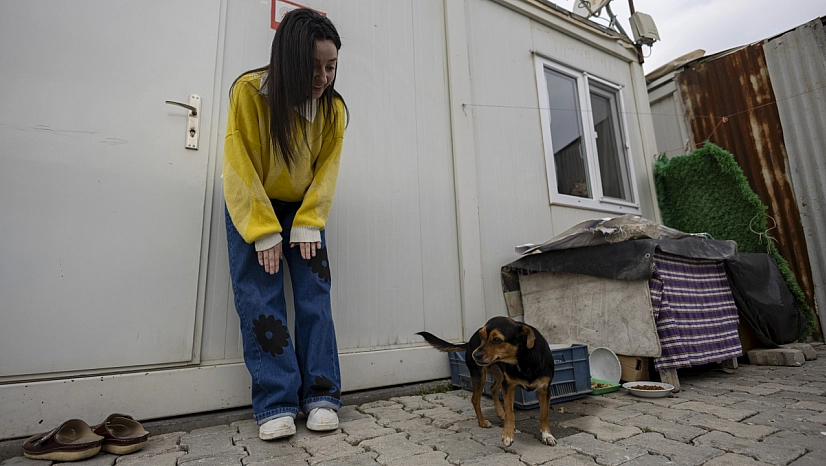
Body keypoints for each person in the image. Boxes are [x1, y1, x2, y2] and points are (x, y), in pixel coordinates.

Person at [222, 8, 348, 441]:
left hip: (304, 208)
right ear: (288, 58)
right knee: (260, 297)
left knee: (315, 297)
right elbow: (238, 165)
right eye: (314, 66)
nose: (323, 76)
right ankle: (275, 401)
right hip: (253, 201)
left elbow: (326, 171)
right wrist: (262, 229)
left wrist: (310, 221)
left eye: (331, 66)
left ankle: (322, 395)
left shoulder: (333, 111)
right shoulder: (249, 92)